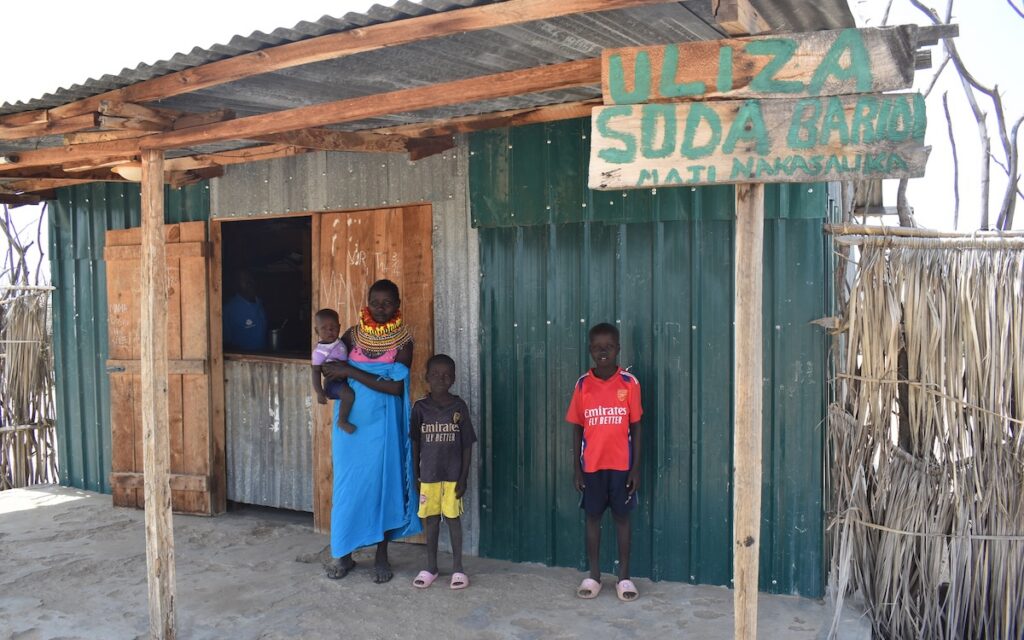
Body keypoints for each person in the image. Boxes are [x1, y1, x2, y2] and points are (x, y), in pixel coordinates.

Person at [321, 279, 422, 583]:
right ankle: (344, 553)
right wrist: (327, 379)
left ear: (398, 305)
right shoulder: (351, 335)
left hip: (385, 425)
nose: (380, 308)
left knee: (382, 487)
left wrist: (350, 371)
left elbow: (394, 388)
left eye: (387, 303)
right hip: (350, 425)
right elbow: (330, 368)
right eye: (375, 302)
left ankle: (381, 555)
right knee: (348, 488)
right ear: (366, 302)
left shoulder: (404, 342)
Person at [566, 322, 643, 602]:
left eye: (608, 347)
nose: (603, 352)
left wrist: (635, 468)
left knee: (622, 519)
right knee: (593, 518)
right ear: (589, 350)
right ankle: (594, 575)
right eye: (597, 347)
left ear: (618, 349)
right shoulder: (583, 385)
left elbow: (636, 426)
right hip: (592, 467)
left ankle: (624, 577)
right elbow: (576, 427)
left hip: (622, 466)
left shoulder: (629, 384)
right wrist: (577, 468)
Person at [409, 354, 476, 590]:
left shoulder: (459, 407)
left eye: (447, 374)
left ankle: (458, 569)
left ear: (454, 378)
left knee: (453, 520)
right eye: (436, 374)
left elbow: (467, 444)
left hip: (452, 477)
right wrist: (416, 475)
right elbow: (415, 444)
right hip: (428, 476)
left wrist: (464, 477)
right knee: (431, 522)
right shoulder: (420, 408)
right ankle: (431, 567)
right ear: (427, 377)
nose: (441, 378)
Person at [311, 308, 356, 434]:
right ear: (316, 330)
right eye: (324, 328)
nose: (329, 331)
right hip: (333, 383)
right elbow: (315, 372)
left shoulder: (339, 342)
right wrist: (319, 392)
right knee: (349, 395)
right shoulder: (319, 352)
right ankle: (342, 421)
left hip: (344, 379)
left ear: (339, 327)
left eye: (333, 327)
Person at [223, 269, 267, 351]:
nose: (249, 282)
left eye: (250, 278)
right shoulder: (229, 309)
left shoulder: (260, 302)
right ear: (236, 284)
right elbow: (226, 343)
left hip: (264, 357)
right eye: (243, 279)